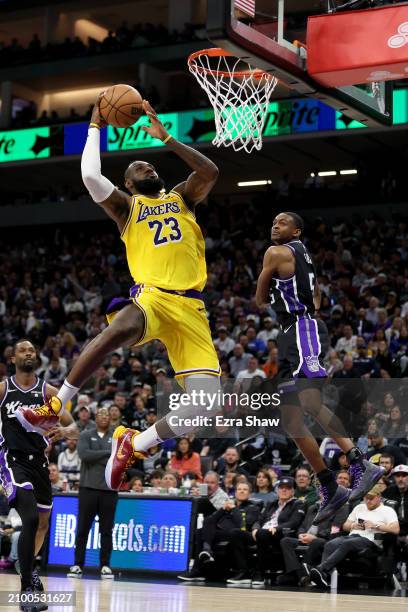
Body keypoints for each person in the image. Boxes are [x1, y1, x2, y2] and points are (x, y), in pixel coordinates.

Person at [17, 95, 222, 491]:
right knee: (117, 329)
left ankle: (135, 441)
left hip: (193, 309)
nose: (145, 167)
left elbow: (210, 170)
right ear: (128, 184)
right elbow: (91, 176)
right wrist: (95, 124)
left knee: (206, 405)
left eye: (148, 164)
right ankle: (57, 404)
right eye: (135, 169)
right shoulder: (127, 207)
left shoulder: (182, 197)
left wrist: (167, 139)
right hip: (154, 297)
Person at [255, 212, 384, 523]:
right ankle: (329, 485)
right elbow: (315, 296)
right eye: (272, 221)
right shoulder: (302, 255)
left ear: (297, 230)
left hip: (300, 328)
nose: (275, 224)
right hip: (290, 332)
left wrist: (269, 286)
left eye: (283, 222)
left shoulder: (276, 252)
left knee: (311, 404)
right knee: (291, 419)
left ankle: (359, 462)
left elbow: (260, 298)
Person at [0, 339, 78, 610]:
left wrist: (64, 431)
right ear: (13, 358)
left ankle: (28, 568)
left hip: (40, 465)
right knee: (30, 518)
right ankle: (26, 593)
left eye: (32, 350)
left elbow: (73, 427)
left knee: (43, 524)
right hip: (12, 461)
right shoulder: (3, 389)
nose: (28, 353)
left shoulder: (48, 391)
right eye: (23, 350)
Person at [310, 484, 400, 588]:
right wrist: (353, 525)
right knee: (330, 544)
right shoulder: (359, 507)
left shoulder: (387, 510)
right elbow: (345, 526)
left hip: (371, 540)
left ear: (379, 497)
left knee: (347, 544)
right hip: (353, 535)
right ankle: (324, 577)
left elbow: (395, 529)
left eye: (371, 498)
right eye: (366, 498)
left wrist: (375, 525)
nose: (368, 501)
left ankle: (321, 569)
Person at [67, 407, 117, 579]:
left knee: (107, 530)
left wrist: (102, 456)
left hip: (109, 490)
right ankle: (77, 565)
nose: (104, 417)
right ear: (95, 418)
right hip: (88, 488)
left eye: (107, 415)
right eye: (101, 414)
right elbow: (84, 455)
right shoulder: (86, 434)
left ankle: (105, 565)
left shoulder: (116, 438)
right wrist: (107, 454)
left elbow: (119, 459)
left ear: (111, 419)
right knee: (82, 529)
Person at [277, 471, 350, 586]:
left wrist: (316, 536)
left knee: (317, 542)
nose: (323, 494)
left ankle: (299, 576)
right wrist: (301, 534)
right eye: (321, 491)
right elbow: (302, 526)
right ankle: (301, 575)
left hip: (324, 539)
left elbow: (335, 529)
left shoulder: (341, 507)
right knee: (286, 541)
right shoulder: (312, 507)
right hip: (306, 537)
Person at [177, 482, 260, 582]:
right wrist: (223, 509)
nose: (241, 491)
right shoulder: (228, 505)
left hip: (238, 535)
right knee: (201, 529)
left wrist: (234, 509)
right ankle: (198, 568)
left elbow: (242, 525)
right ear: (235, 492)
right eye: (239, 489)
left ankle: (206, 551)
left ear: (249, 494)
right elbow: (211, 520)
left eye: (245, 489)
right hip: (222, 533)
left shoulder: (253, 508)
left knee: (228, 532)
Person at [248, 477, 305, 585]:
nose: (284, 490)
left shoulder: (298, 504)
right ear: (277, 490)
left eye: (287, 488)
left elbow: (294, 522)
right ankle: (242, 572)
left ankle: (259, 573)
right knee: (236, 534)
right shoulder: (271, 504)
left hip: (279, 535)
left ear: (293, 491)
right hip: (262, 532)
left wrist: (277, 528)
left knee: (262, 534)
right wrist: (255, 528)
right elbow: (259, 519)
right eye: (281, 488)